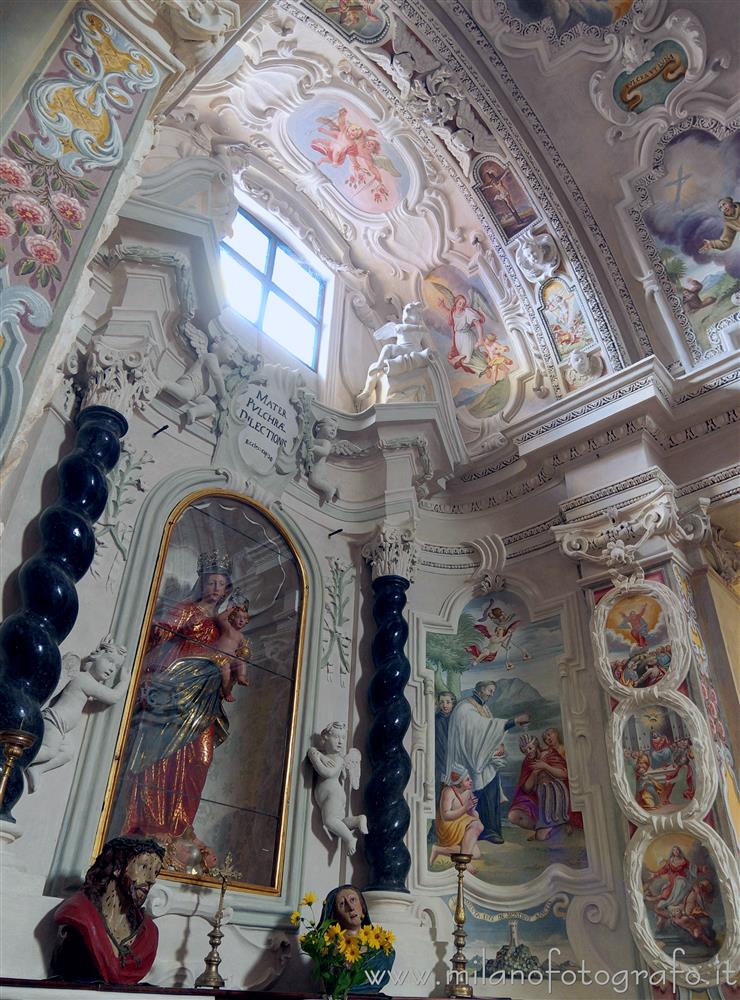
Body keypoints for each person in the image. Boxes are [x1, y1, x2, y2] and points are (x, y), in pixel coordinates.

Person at [119, 551, 237, 864]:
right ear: (201, 583)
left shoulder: (223, 625)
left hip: (204, 702)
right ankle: (156, 824)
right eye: (210, 581)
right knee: (164, 756)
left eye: (220, 583)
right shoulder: (186, 611)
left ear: (227, 590)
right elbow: (159, 638)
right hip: (173, 695)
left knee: (201, 757)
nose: (214, 587)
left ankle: (183, 826)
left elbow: (234, 664)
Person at [51, 836, 164, 984]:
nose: (151, 879)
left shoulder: (148, 934)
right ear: (118, 867)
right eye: (143, 867)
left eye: (155, 872)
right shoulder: (79, 914)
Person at [445, 679, 529, 844]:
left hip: (483, 760)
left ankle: (491, 830)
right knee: (478, 793)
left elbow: (489, 733)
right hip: (469, 761)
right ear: (480, 689)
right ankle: (479, 831)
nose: (491, 694)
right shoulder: (465, 707)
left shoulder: (484, 708)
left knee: (490, 792)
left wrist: (499, 746)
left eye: (492, 691)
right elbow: (480, 728)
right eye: (489, 690)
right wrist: (512, 722)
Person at [319, 884, 394, 994]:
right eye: (342, 904)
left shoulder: (383, 952)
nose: (350, 907)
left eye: (353, 900)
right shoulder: (326, 951)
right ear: (335, 916)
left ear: (363, 907)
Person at [430, 766, 484, 865]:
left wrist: (471, 810)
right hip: (447, 826)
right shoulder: (448, 791)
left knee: (476, 854)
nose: (471, 781)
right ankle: (464, 863)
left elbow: (473, 815)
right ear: (459, 782)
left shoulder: (468, 792)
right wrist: (465, 808)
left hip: (460, 824)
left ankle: (438, 849)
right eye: (467, 779)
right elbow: (445, 816)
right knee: (478, 825)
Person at [214, 592, 251, 701]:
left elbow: (244, 650)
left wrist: (246, 651)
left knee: (241, 661)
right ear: (232, 618)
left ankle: (241, 677)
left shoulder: (241, 636)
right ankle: (226, 692)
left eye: (244, 619)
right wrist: (232, 609)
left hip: (232, 658)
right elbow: (220, 618)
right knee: (226, 673)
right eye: (239, 617)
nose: (241, 620)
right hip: (221, 657)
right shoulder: (228, 628)